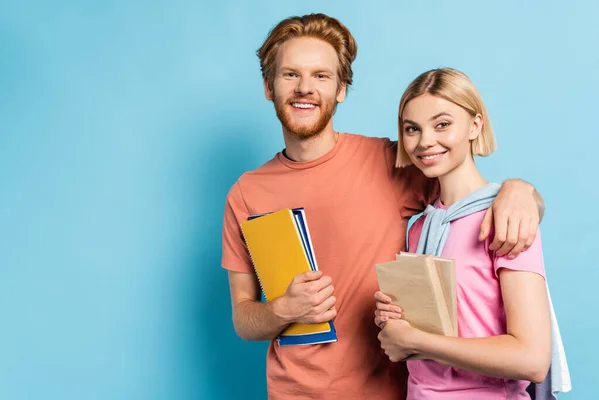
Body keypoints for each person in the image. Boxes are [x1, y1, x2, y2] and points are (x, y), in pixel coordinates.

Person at [222, 14, 544, 399]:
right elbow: (243, 318)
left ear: (341, 89)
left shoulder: (393, 162)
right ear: (268, 86)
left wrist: (520, 190)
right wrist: (282, 310)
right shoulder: (246, 193)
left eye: (321, 76)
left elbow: (468, 193)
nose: (305, 88)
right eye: (290, 75)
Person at [374, 68, 552, 399]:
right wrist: (394, 321)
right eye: (412, 129)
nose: (425, 140)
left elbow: (533, 359)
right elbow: (440, 327)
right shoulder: (418, 228)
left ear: (475, 125)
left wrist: (415, 342)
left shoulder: (507, 217)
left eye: (442, 124)